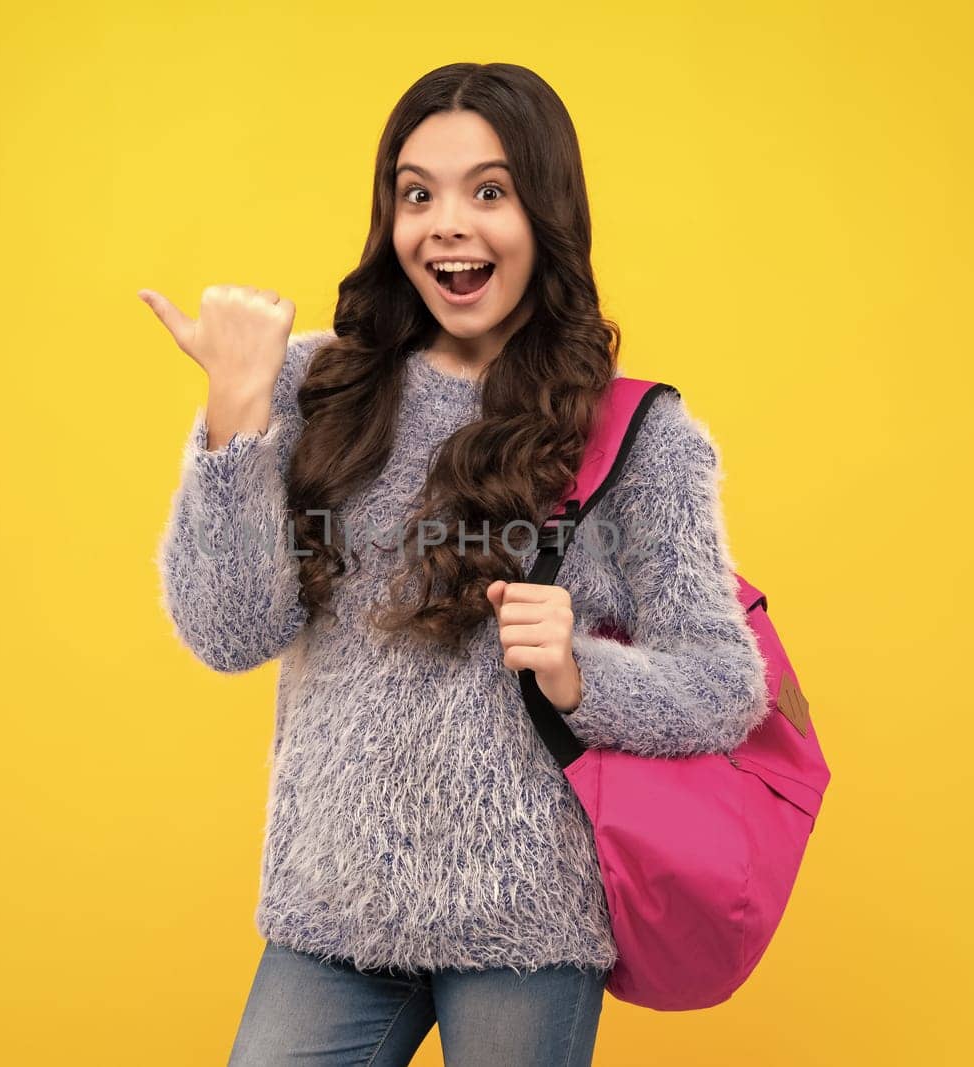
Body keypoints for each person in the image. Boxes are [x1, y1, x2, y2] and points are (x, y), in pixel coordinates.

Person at [141, 62, 770, 1067]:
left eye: (489, 191)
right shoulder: (313, 386)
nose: (446, 224)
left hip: (524, 919)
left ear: (545, 215)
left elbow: (723, 682)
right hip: (333, 903)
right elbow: (227, 633)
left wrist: (580, 673)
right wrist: (235, 412)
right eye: (416, 192)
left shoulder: (634, 432)